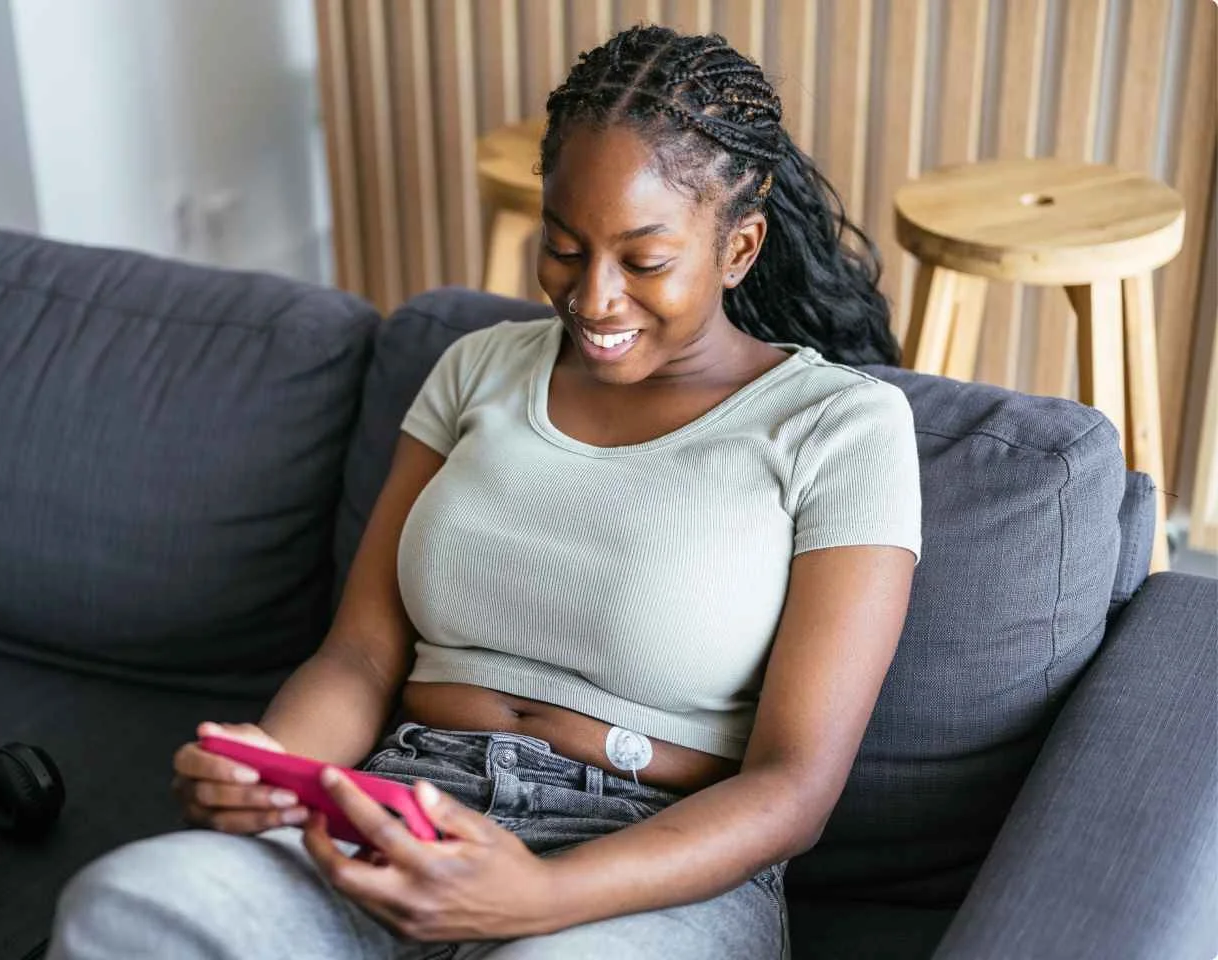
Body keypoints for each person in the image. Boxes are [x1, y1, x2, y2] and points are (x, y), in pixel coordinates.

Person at [46, 24, 921, 960]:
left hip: (641, 861)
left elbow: (794, 788)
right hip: (402, 809)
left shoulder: (840, 428)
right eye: (564, 246)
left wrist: (537, 897)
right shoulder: (477, 369)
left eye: (645, 261)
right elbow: (361, 659)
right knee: (127, 903)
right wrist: (275, 773)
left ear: (739, 245)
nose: (593, 298)